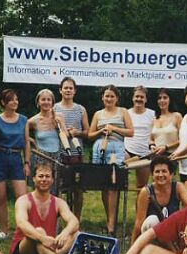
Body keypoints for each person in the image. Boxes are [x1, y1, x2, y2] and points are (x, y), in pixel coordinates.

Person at [9, 161, 79, 254]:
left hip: (47, 248)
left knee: (76, 234)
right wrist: (42, 238)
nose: (44, 179)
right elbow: (22, 223)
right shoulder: (23, 200)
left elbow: (74, 221)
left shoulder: (58, 202)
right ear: (33, 179)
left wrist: (65, 233)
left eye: (47, 176)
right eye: (40, 176)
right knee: (39, 231)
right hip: (25, 250)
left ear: (52, 180)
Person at [88, 85, 134, 236]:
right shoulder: (97, 114)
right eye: (106, 96)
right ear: (102, 98)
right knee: (103, 185)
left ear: (116, 98)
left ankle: (111, 226)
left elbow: (131, 132)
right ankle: (110, 220)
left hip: (117, 149)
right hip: (100, 148)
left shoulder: (123, 112)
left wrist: (114, 129)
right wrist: (101, 131)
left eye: (111, 96)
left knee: (113, 185)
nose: (109, 99)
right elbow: (90, 134)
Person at [0, 89, 29, 241]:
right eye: (11, 100)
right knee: (1, 196)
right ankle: (3, 230)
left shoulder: (23, 120)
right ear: (3, 102)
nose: (15, 102)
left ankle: (22, 230)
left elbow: (27, 142)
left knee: (21, 197)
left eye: (16, 99)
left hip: (16, 158)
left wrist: (26, 162)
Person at [130, 155, 187, 245]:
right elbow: (139, 222)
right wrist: (132, 247)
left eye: (164, 171)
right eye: (157, 172)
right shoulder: (146, 192)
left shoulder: (178, 187)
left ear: (171, 174)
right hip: (152, 232)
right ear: (152, 175)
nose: (160, 175)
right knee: (152, 220)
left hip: (172, 230)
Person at [54, 77, 89, 220]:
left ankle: (77, 218)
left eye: (71, 88)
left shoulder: (81, 109)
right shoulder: (54, 108)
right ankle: (61, 218)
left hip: (76, 153)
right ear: (60, 90)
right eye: (65, 88)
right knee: (60, 187)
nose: (68, 90)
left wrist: (77, 133)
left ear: (75, 91)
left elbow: (88, 132)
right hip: (59, 152)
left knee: (78, 188)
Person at [28, 89, 67, 195]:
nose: (46, 102)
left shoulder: (59, 117)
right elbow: (22, 136)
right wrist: (32, 142)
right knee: (40, 188)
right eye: (43, 99)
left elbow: (65, 136)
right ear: (38, 102)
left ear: (52, 102)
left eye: (49, 100)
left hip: (56, 157)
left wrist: (60, 125)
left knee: (56, 189)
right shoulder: (33, 121)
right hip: (40, 156)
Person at [124, 86, 155, 191]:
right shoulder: (126, 113)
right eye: (137, 96)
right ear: (133, 98)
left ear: (146, 99)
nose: (139, 99)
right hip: (127, 151)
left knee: (142, 188)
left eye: (142, 97)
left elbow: (154, 133)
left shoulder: (152, 114)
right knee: (118, 183)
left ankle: (140, 207)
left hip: (145, 154)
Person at [149, 88, 182, 155]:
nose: (162, 100)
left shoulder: (176, 116)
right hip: (156, 158)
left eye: (165, 98)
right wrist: (152, 146)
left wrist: (166, 147)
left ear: (170, 100)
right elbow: (151, 139)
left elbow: (183, 139)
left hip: (172, 157)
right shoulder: (154, 119)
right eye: (159, 98)